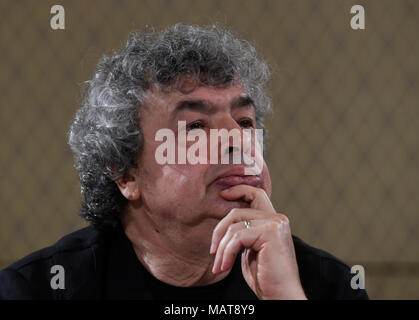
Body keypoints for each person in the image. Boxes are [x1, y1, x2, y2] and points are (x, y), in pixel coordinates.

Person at [0, 23, 368, 300]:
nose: (238, 141)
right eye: (195, 126)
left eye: (245, 122)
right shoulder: (39, 289)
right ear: (126, 173)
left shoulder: (325, 285)